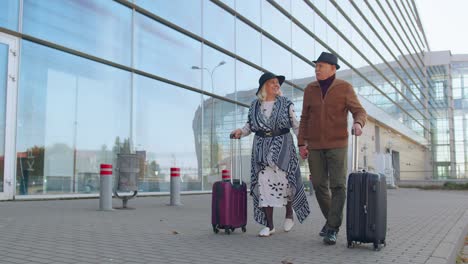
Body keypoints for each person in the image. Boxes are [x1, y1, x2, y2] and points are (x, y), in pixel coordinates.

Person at [298, 52, 367, 245]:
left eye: (320, 66)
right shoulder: (309, 89)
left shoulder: (345, 88)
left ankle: (332, 228)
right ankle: (331, 221)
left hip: (338, 144)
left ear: (333, 68)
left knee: (338, 185)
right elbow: (304, 118)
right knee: (319, 185)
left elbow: (359, 111)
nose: (316, 69)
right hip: (315, 145)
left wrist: (358, 123)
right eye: (316, 66)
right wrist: (302, 143)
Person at [231, 72, 310, 237]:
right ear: (263, 87)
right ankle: (269, 225)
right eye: (272, 82)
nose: (276, 85)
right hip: (261, 150)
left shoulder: (286, 103)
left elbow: (296, 126)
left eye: (277, 83)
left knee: (286, 183)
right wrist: (240, 131)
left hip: (283, 148)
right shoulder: (254, 106)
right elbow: (249, 126)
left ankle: (289, 214)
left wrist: (303, 144)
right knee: (264, 186)